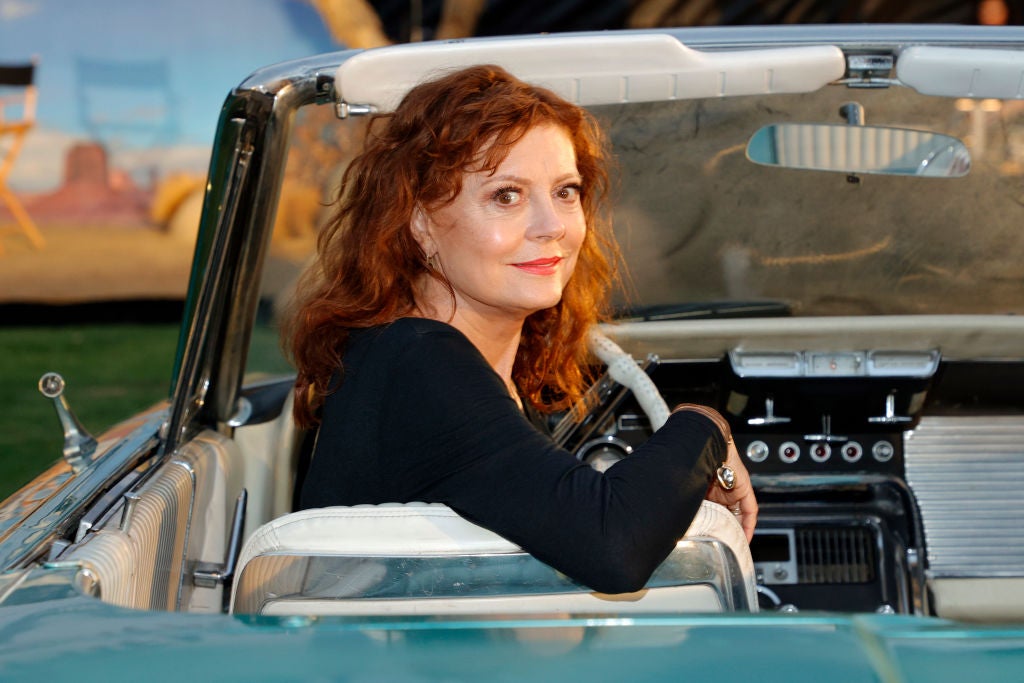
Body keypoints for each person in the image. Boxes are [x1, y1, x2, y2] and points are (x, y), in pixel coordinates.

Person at [284, 64, 757, 594]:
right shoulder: (420, 362)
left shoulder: (438, 358)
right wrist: (706, 426)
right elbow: (613, 545)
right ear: (417, 222)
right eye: (506, 195)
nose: (551, 225)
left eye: (565, 191)